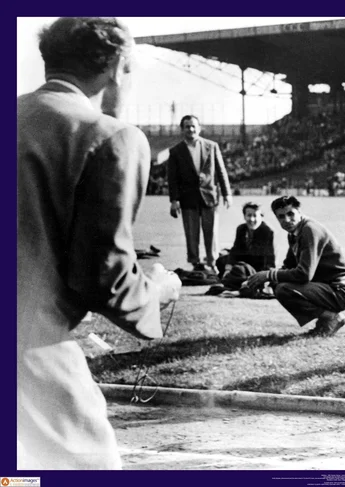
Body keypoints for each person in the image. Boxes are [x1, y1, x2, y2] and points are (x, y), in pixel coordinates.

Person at [17, 17, 182, 469]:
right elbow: (104, 277)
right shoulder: (109, 135)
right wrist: (158, 290)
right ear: (116, 67)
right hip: (29, 347)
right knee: (91, 468)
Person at [245, 196, 345, 336]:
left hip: (339, 291)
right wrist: (260, 280)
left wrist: (268, 275)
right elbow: (288, 265)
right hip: (326, 286)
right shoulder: (295, 232)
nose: (287, 220)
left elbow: (304, 274)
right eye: (281, 216)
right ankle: (325, 323)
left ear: (299, 212)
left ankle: (332, 318)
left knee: (284, 289)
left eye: (291, 214)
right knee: (277, 284)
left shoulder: (309, 230)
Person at [167, 114, 232, 273]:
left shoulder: (212, 146)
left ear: (199, 128)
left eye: (193, 126)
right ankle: (195, 262)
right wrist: (174, 200)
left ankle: (212, 262)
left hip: (209, 196)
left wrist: (227, 193)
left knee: (211, 232)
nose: (190, 129)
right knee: (191, 232)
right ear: (182, 129)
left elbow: (221, 171)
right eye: (187, 126)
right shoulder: (176, 151)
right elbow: (172, 178)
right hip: (188, 197)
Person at [215, 202, 276, 291]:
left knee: (239, 269)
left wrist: (264, 277)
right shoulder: (241, 229)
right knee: (221, 260)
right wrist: (228, 268)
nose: (251, 219)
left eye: (255, 216)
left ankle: (236, 278)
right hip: (244, 261)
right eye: (249, 215)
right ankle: (232, 276)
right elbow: (235, 250)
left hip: (258, 267)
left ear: (261, 217)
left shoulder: (268, 231)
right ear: (244, 216)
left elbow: (269, 259)